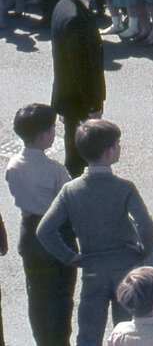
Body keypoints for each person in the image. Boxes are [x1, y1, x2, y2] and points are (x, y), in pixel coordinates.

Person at [37, 118, 153, 346]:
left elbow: (45, 230)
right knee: (128, 331)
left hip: (92, 269)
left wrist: (70, 256)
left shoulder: (70, 191)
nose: (120, 147)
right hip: (126, 269)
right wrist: (143, 251)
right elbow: (146, 225)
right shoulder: (124, 188)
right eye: (117, 144)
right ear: (109, 152)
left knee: (89, 333)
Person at [5, 103, 76, 345]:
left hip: (29, 234)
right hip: (56, 233)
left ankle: (42, 340)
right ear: (45, 134)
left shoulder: (12, 165)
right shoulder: (54, 170)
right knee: (61, 296)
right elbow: (68, 202)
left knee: (36, 294)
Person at [51, 0, 107, 176]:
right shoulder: (75, 17)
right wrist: (94, 107)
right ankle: (74, 201)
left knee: (76, 152)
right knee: (78, 158)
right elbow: (83, 70)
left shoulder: (65, 5)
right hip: (79, 101)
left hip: (69, 97)